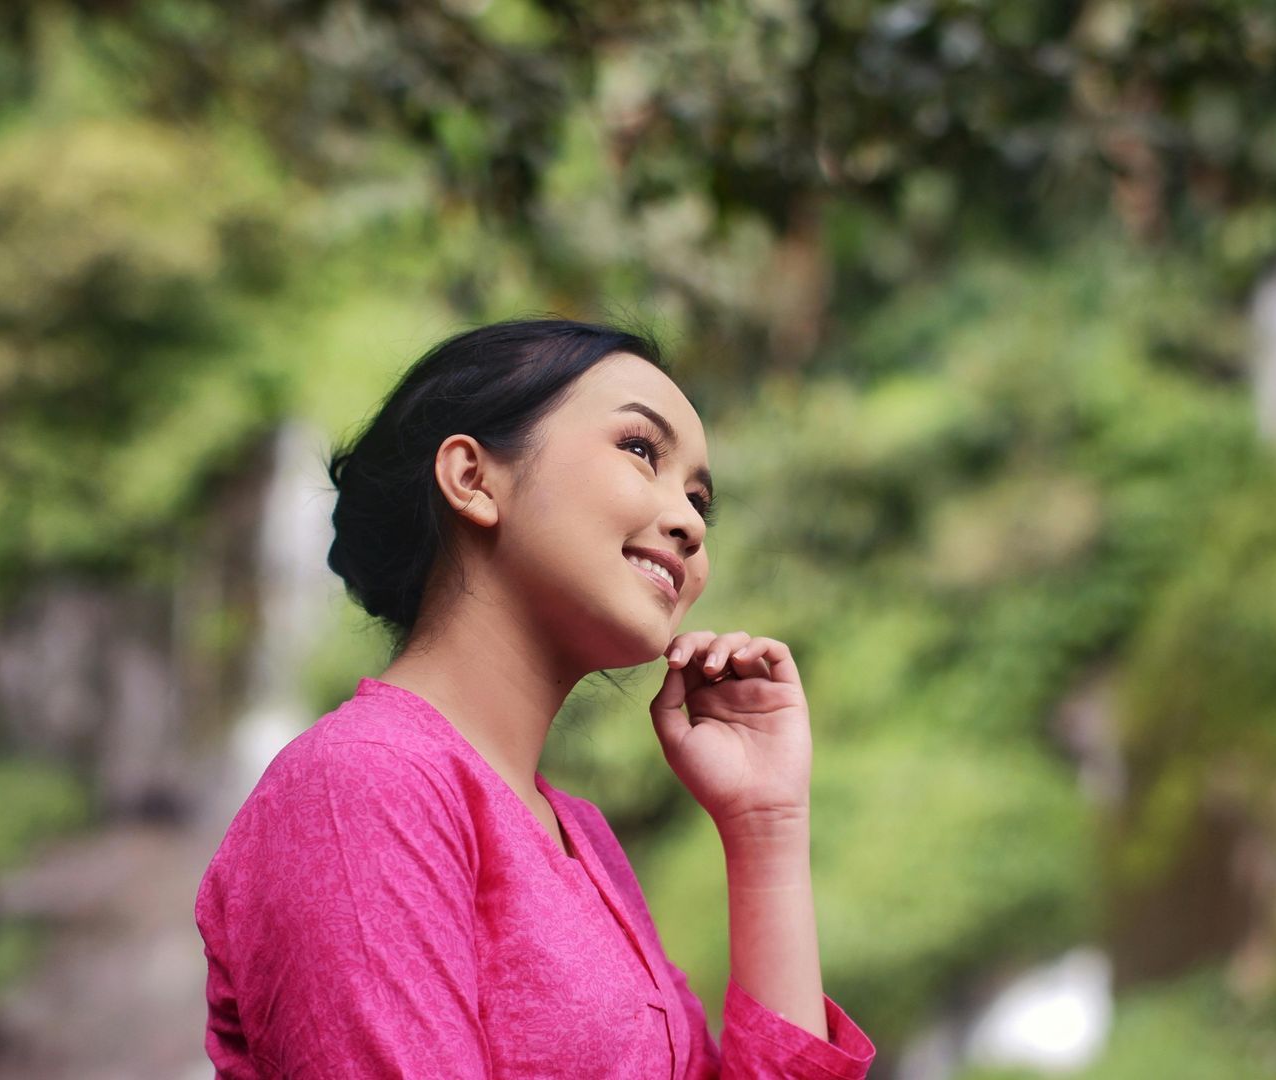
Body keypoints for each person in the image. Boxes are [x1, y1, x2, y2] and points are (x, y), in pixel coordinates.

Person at [194, 317, 877, 1077]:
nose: (688, 522)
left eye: (699, 500)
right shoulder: (361, 782)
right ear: (473, 479)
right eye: (640, 450)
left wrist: (765, 827)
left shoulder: (579, 839)